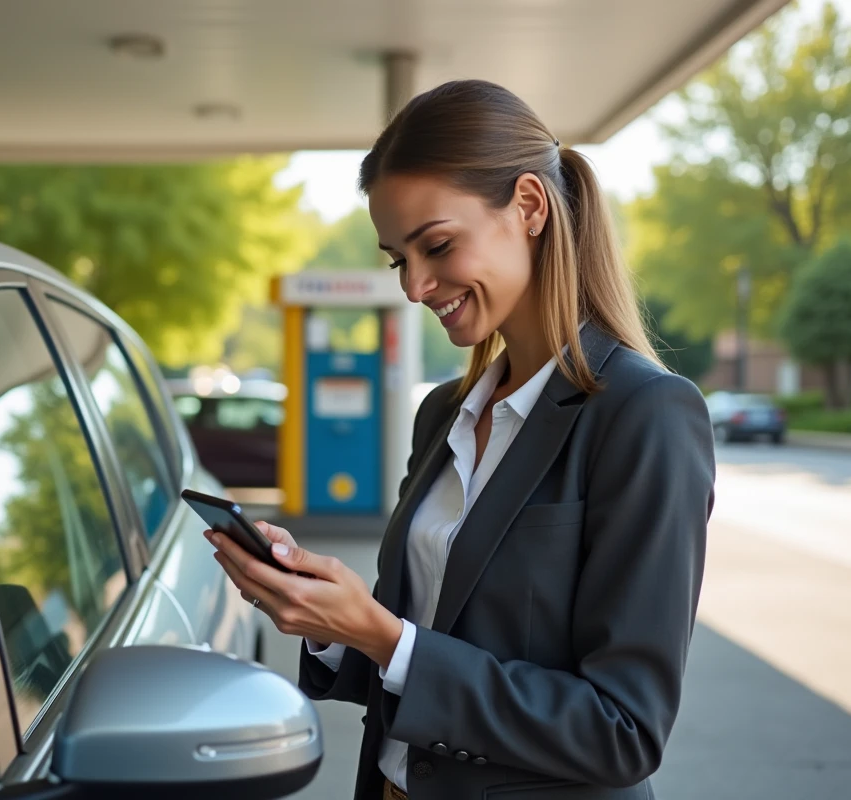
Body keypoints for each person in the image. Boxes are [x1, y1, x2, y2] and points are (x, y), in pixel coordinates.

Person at [205, 79, 715, 800]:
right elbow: (421, 653)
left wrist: (383, 636)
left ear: (530, 206)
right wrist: (326, 618)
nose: (414, 287)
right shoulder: (443, 413)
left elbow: (621, 730)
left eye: (437, 246)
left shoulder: (644, 413)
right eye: (397, 259)